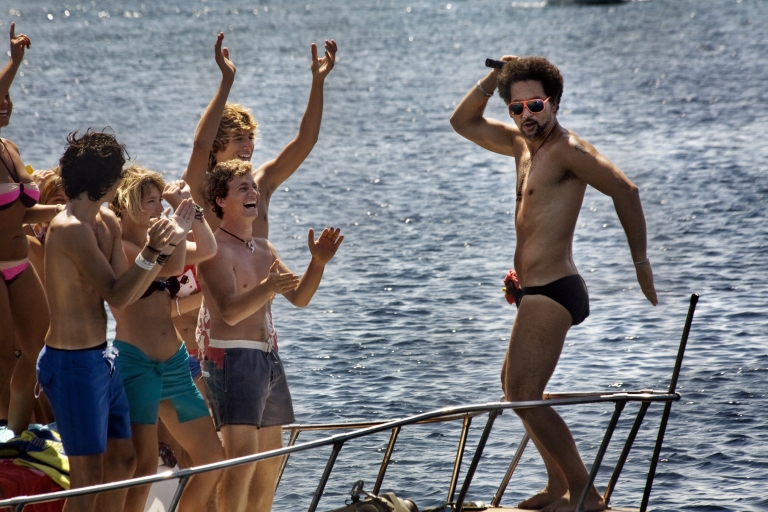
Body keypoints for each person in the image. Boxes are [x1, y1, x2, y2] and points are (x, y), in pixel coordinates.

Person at [450, 56, 658, 512]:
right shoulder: (521, 146)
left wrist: (640, 263)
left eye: (536, 105)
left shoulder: (567, 150)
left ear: (555, 102)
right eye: (516, 107)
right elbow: (461, 121)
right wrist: (495, 76)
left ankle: (585, 493)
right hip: (532, 290)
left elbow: (626, 190)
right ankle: (557, 483)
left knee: (523, 392)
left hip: (555, 288)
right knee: (515, 389)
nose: (527, 115)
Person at [38, 130, 183, 512]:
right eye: (118, 173)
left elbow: (129, 290)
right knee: (86, 479)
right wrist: (152, 250)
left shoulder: (106, 221)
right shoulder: (69, 229)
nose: (121, 180)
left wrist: (161, 252)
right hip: (71, 363)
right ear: (103, 179)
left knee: (123, 461)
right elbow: (116, 294)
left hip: (102, 359)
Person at [197, 160, 343, 512]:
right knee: (242, 459)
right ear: (221, 200)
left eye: (253, 186)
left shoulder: (264, 248)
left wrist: (318, 263)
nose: (254, 192)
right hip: (232, 358)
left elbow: (300, 297)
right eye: (242, 188)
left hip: (267, 358)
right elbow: (229, 312)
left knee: (270, 459)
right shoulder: (214, 250)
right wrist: (266, 288)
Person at [182, 32, 337, 354]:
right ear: (218, 145)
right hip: (216, 325)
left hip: (261, 326)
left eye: (251, 137)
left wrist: (318, 83)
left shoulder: (260, 183)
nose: (248, 145)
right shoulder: (201, 189)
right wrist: (226, 82)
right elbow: (200, 146)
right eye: (238, 137)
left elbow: (306, 141)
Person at [108, 167, 223, 512]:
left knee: (213, 458)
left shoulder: (160, 241)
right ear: (126, 205)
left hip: (174, 363)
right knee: (143, 467)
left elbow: (208, 248)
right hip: (137, 364)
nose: (159, 208)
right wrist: (178, 227)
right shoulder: (121, 248)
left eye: (161, 201)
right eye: (151, 202)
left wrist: (189, 208)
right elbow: (172, 268)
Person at [0, 24, 61, 435]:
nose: (5, 103)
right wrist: (15, 62)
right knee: (4, 355)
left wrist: (63, 211)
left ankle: (33, 429)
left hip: (19, 261)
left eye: (8, 97)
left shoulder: (11, 149)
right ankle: (6, 434)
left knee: (43, 347)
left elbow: (20, 214)